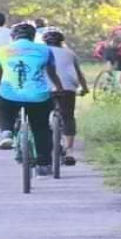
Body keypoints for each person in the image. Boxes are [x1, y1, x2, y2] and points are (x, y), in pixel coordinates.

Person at [0, 22, 64, 178]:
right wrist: (59, 88)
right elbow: (52, 73)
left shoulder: (2, 51)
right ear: (33, 37)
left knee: (4, 108)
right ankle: (43, 165)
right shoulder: (45, 50)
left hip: (10, 94)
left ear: (12, 37)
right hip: (38, 96)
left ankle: (6, 133)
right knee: (41, 129)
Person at [42, 28, 89, 166]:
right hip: (67, 88)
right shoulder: (70, 53)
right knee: (68, 116)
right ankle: (69, 151)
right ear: (62, 42)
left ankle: (44, 148)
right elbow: (79, 74)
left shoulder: (41, 52)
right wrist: (84, 88)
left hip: (45, 89)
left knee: (41, 118)